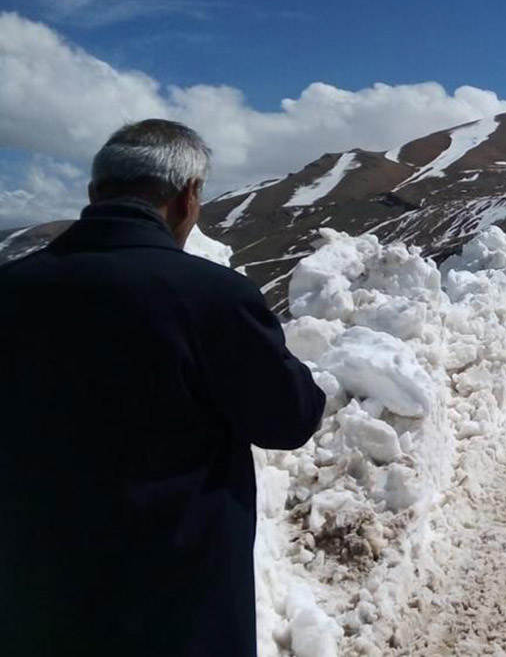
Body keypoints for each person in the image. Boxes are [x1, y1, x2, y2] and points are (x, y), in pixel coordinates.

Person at [0, 120, 326, 656]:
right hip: (177, 601)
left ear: (94, 194)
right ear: (187, 197)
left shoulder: (12, 289)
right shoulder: (212, 297)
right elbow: (289, 419)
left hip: (34, 594)